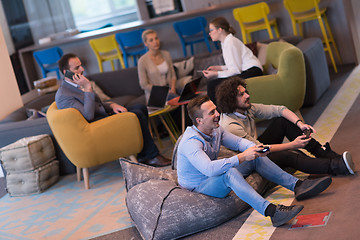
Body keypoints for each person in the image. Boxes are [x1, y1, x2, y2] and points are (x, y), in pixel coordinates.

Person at [176, 95, 332, 227]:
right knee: (229, 171)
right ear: (199, 120)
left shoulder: (215, 129)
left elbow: (238, 143)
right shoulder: (191, 142)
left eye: (216, 109)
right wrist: (242, 156)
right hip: (200, 186)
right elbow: (209, 169)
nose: (217, 114)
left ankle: (298, 185)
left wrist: (253, 148)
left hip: (212, 176)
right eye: (212, 113)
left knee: (254, 156)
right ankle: (272, 212)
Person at [216, 76, 355, 175]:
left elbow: (280, 110)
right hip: (249, 159)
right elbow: (260, 150)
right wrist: (292, 145)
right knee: (288, 155)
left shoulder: (247, 108)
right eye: (241, 94)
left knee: (281, 122)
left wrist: (300, 124)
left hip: (256, 146)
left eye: (246, 91)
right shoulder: (230, 126)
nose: (247, 95)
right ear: (231, 101)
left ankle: (326, 154)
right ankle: (336, 166)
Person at [55, 53, 171, 167]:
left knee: (140, 107)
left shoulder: (77, 82)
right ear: (66, 72)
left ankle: (144, 155)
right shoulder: (64, 95)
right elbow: (88, 115)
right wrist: (87, 89)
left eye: (81, 65)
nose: (82, 69)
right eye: (77, 67)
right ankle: (151, 156)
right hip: (96, 126)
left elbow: (97, 104)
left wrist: (111, 105)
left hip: (104, 115)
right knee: (137, 114)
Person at [201, 17, 263, 103]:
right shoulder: (225, 42)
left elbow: (235, 70)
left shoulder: (230, 42)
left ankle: (220, 113)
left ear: (220, 30)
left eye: (211, 30)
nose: (209, 33)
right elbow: (234, 65)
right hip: (246, 70)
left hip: (253, 72)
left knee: (213, 85)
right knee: (213, 84)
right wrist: (219, 68)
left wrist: (215, 74)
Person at [138, 29, 178, 102]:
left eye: (156, 38)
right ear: (146, 43)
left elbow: (173, 75)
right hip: (155, 94)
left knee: (184, 96)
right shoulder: (142, 61)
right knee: (175, 99)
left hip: (170, 90)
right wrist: (163, 91)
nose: (155, 42)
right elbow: (144, 85)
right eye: (151, 40)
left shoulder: (166, 54)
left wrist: (173, 88)